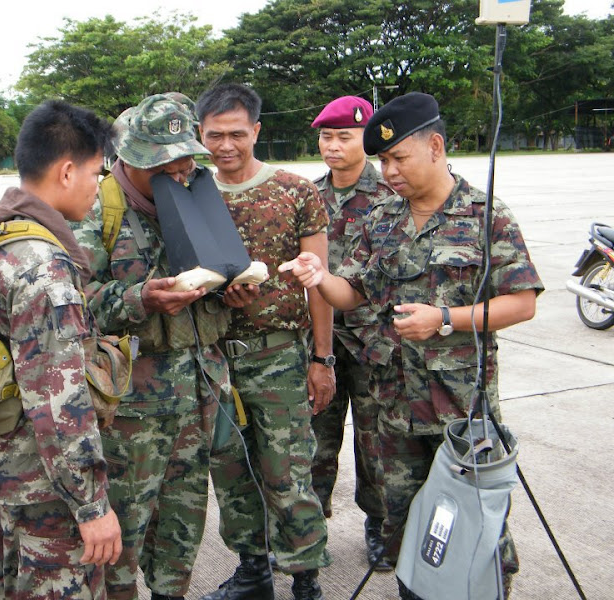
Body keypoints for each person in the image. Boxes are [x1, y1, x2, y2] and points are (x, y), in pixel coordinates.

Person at [280, 92, 543, 599]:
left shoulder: (485, 214)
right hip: (393, 410)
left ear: (435, 147)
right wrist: (319, 276)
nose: (390, 171)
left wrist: (444, 320)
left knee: (478, 530)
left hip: (459, 410)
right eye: (384, 161)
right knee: (405, 529)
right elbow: (353, 293)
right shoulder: (384, 218)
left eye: (399, 158)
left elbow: (521, 302)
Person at [72, 93, 230, 600]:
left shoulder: (196, 195)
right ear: (132, 159)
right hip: (131, 413)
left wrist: (232, 289)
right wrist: (139, 298)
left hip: (197, 398)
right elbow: (72, 303)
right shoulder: (94, 211)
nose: (180, 172)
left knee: (183, 525)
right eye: (165, 165)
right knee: (123, 530)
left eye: (186, 161)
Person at [0, 100, 121, 599]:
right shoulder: (44, 268)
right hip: (46, 485)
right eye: (96, 173)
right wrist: (91, 505)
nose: (98, 186)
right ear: (66, 171)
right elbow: (59, 401)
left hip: (7, 465)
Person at [196, 83, 333, 600]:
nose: (225, 145)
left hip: (279, 356)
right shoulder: (191, 194)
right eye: (214, 135)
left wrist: (322, 359)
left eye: (236, 134)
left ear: (256, 130)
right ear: (200, 134)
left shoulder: (296, 191)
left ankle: (305, 578)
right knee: (231, 472)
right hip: (215, 360)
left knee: (287, 472)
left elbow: (318, 282)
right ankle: (253, 570)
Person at [308, 96, 394, 569]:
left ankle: (380, 527)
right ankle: (310, 528)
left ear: (367, 138)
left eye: (344, 136)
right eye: (327, 136)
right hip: (319, 339)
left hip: (373, 343)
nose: (333, 146)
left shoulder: (390, 195)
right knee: (314, 438)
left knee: (375, 441)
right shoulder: (308, 196)